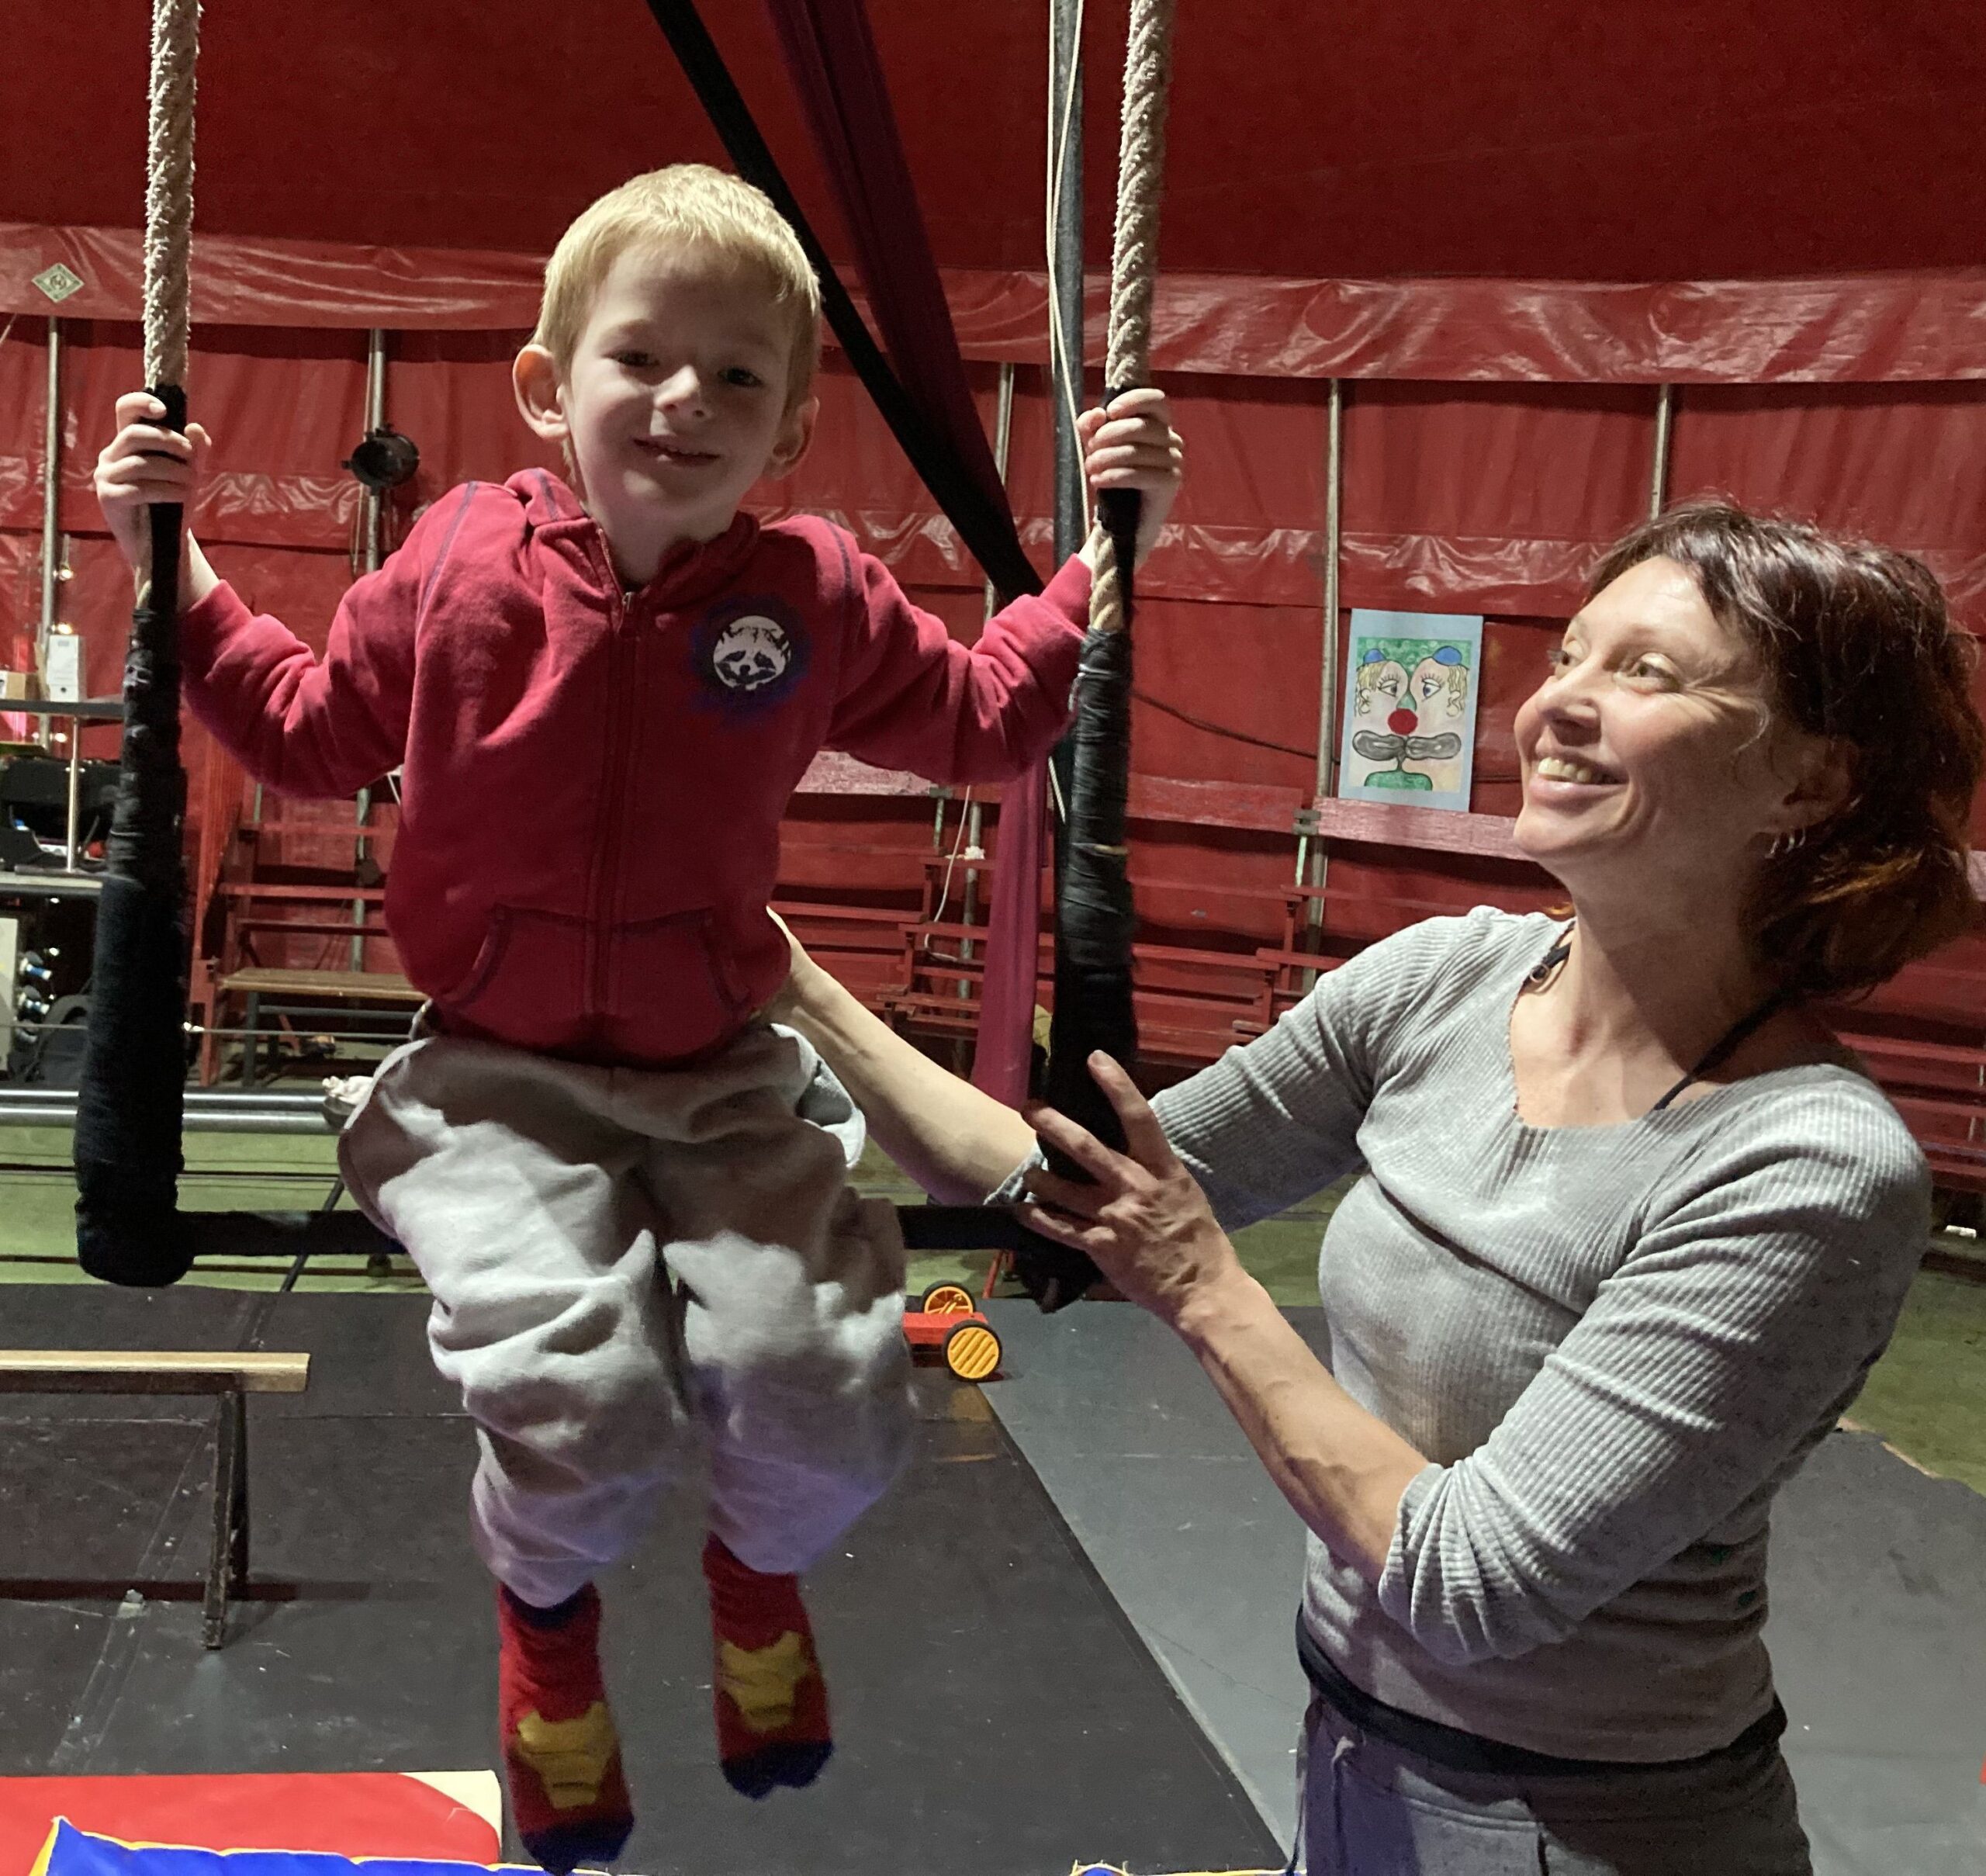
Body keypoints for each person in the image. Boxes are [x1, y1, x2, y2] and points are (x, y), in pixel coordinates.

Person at [92, 164, 1183, 1874]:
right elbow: (303, 731)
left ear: (790, 429)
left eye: (736, 375)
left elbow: (982, 720)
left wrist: (1108, 550)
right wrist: (175, 564)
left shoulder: (810, 594)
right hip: (492, 1080)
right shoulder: (463, 564)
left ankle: (756, 1582)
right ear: (550, 386)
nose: (685, 399)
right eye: (641, 358)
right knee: (579, 1390)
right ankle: (548, 1632)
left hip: (721, 1073)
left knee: (823, 1386)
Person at [769, 503, 1984, 1875]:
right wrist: (781, 972)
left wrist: (1203, 1286)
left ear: (1812, 782)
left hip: (1594, 1830)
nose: (1560, 705)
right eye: (1570, 655)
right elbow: (1074, 1199)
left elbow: (1473, 1581)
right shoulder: (1446, 980)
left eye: (1647, 672)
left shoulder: (1808, 1164)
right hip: (1354, 1768)